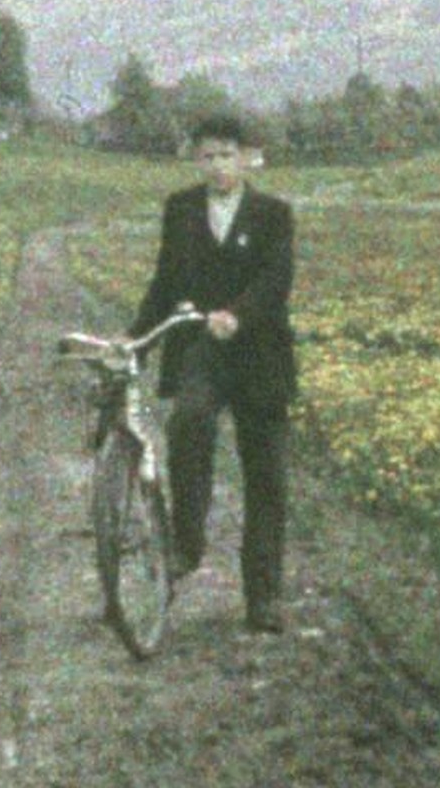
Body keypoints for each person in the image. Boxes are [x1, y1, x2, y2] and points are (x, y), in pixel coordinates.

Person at [127, 113, 297, 634]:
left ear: (247, 158)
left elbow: (276, 279)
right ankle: (188, 541)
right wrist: (135, 339)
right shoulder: (179, 210)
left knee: (266, 477)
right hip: (201, 348)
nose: (218, 165)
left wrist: (238, 314)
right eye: (208, 156)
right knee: (188, 421)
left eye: (227, 154)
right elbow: (164, 280)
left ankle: (263, 597)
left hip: (260, 355)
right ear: (195, 159)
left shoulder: (273, 214)